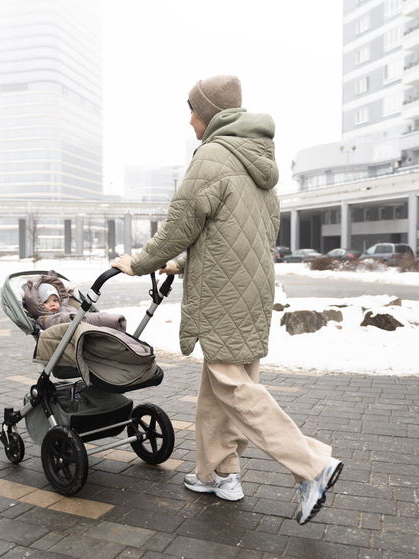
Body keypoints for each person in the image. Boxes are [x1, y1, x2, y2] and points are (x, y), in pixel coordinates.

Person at [113, 75, 342, 525]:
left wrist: (139, 262)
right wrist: (187, 264)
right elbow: (233, 233)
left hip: (223, 296)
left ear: (212, 112)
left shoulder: (213, 157)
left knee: (236, 391)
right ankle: (218, 473)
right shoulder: (259, 162)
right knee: (218, 392)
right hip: (252, 289)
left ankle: (313, 466)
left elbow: (180, 224)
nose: (190, 118)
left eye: (192, 108)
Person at [23, 272, 127, 332]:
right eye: (46, 301)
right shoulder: (44, 319)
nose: (52, 304)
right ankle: (114, 322)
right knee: (104, 321)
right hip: (78, 326)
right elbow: (62, 321)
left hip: (84, 322)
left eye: (55, 300)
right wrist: (76, 317)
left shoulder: (65, 307)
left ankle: (114, 324)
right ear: (37, 304)